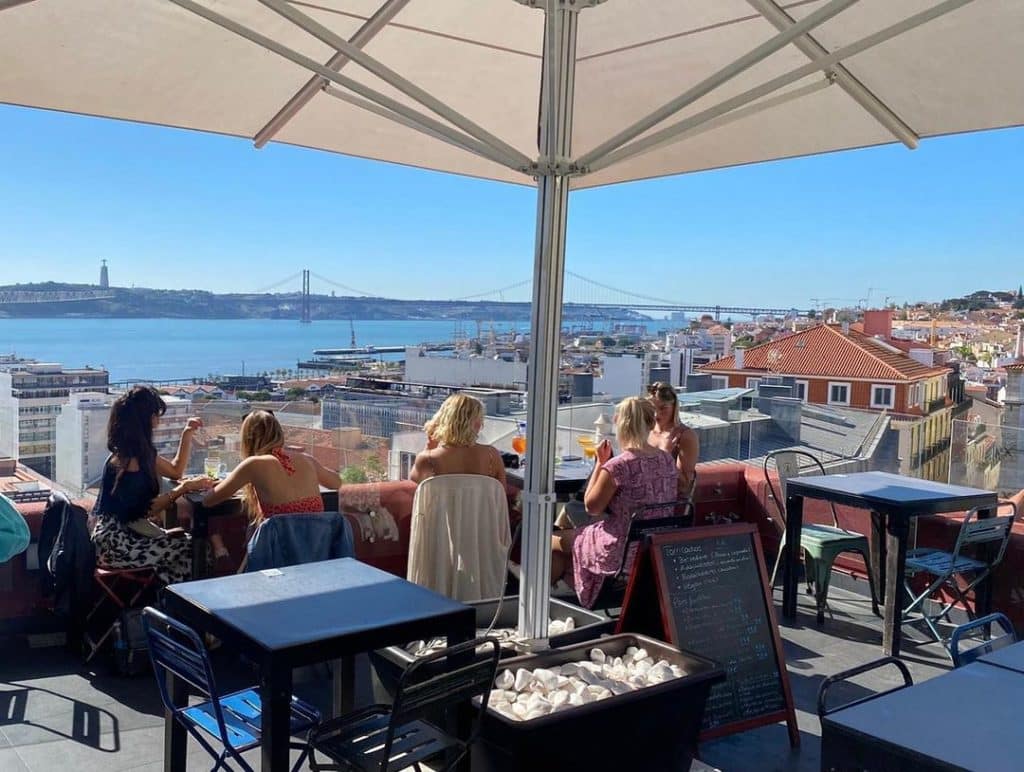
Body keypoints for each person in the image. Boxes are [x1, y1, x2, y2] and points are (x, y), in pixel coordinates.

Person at [551, 396, 677, 608]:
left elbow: (592, 507)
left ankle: (549, 601)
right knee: (574, 534)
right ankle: (569, 585)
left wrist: (601, 463)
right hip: (654, 546)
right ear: (649, 423)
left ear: (621, 424)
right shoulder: (666, 459)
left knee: (553, 540)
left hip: (621, 550)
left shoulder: (619, 465)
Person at [91, 386, 215, 584]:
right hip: (118, 544)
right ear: (146, 419)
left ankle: (168, 598)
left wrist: (187, 434)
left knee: (185, 545)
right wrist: (183, 489)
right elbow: (144, 510)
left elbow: (175, 471)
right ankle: (180, 602)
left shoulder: (133, 451)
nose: (158, 421)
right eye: (156, 415)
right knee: (195, 549)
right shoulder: (131, 460)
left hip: (115, 538)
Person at [202, 410, 340, 523]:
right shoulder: (307, 459)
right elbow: (337, 483)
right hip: (315, 548)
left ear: (248, 439)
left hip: (279, 549)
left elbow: (208, 501)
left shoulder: (253, 464)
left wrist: (199, 485)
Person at [409, 394, 506, 486]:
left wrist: (431, 444)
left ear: (442, 421)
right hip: (480, 504)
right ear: (477, 425)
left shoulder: (427, 459)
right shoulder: (491, 455)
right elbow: (500, 495)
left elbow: (414, 489)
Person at [647, 382, 700, 496]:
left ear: (674, 406)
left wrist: (665, 456)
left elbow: (684, 485)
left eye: (663, 408)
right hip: (645, 494)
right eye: (652, 408)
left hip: (668, 502)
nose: (657, 414)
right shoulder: (646, 431)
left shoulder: (685, 436)